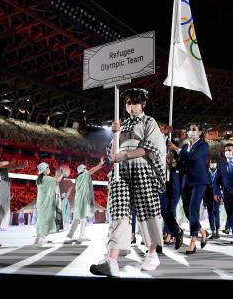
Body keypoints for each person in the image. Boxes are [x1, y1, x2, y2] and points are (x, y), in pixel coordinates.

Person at [90, 88, 166, 277]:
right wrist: (115, 134)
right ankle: (112, 260)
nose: (131, 107)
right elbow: (111, 154)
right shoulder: (121, 125)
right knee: (119, 211)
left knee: (148, 211)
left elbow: (151, 148)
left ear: (144, 104)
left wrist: (125, 155)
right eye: (128, 103)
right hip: (121, 170)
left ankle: (152, 253)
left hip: (142, 169)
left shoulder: (150, 122)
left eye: (135, 103)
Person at [168, 123, 210, 254]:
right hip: (186, 182)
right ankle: (202, 231)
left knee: (193, 208)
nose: (191, 132)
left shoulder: (203, 145)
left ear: (199, 132)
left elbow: (195, 158)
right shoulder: (186, 146)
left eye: (194, 130)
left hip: (199, 181)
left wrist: (177, 149)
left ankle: (193, 241)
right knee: (187, 211)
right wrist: (172, 161)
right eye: (189, 130)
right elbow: (182, 163)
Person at [0, 152, 29, 248]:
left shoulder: (2, 170)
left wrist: (22, 165)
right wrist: (9, 161)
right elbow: (1, 164)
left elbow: (12, 168)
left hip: (0, 197)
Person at [213, 143, 233, 245]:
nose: (227, 152)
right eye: (226, 150)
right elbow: (217, 180)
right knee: (230, 215)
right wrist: (216, 192)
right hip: (227, 194)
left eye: (229, 150)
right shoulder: (221, 163)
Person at [66, 158, 104, 243]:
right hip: (82, 199)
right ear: (83, 170)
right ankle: (81, 235)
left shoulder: (79, 177)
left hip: (79, 199)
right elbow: (92, 171)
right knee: (82, 217)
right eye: (85, 169)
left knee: (77, 217)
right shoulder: (84, 175)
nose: (86, 170)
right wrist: (100, 164)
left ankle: (70, 234)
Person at [35, 162, 65, 246]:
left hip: (41, 202)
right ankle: (43, 238)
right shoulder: (46, 178)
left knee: (41, 219)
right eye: (47, 168)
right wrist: (62, 174)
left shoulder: (39, 179)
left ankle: (41, 237)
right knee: (47, 219)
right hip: (46, 203)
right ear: (44, 170)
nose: (49, 169)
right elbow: (57, 180)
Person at [207, 160, 222, 239]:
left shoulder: (219, 173)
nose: (213, 164)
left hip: (217, 196)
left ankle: (217, 231)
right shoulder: (206, 173)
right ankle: (212, 231)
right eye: (211, 163)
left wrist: (222, 197)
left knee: (216, 213)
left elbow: (222, 185)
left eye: (214, 163)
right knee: (210, 213)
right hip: (208, 196)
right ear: (209, 163)